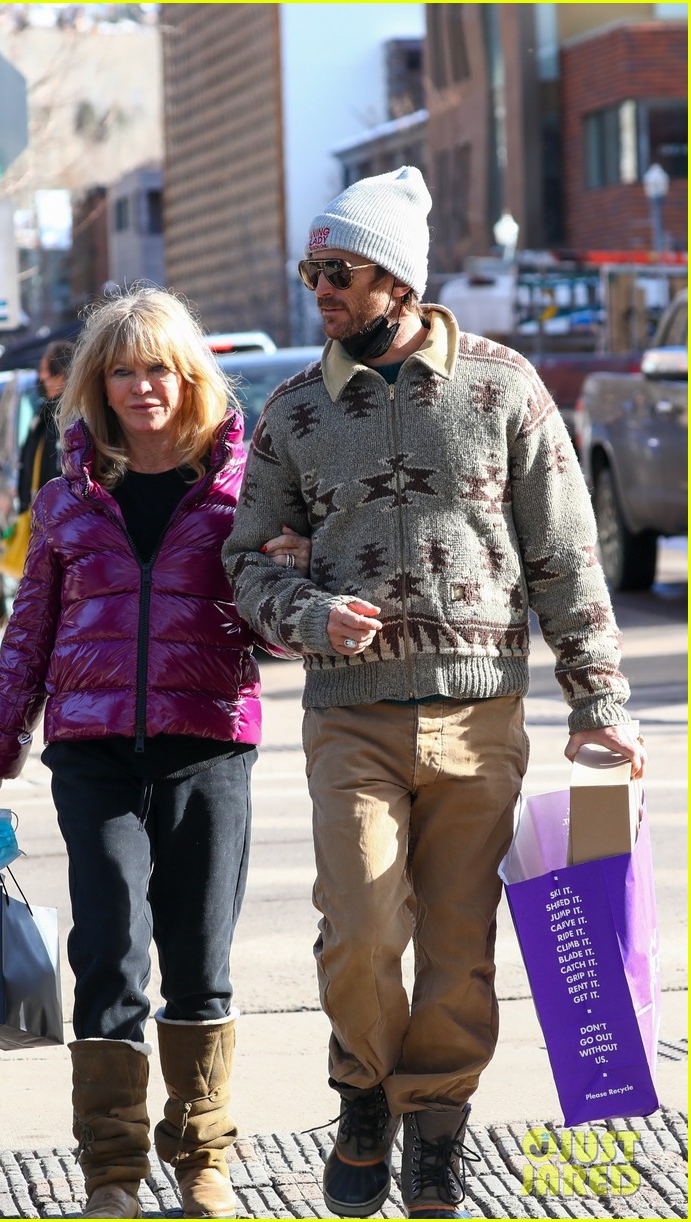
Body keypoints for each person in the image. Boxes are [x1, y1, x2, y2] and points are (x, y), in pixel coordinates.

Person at [222, 167, 647, 1220]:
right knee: (361, 925)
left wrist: (599, 706)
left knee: (459, 948)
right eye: (312, 269)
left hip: (481, 714)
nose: (320, 287)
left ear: (399, 281)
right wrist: (311, 614)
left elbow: (565, 556)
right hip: (351, 716)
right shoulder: (291, 412)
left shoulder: (504, 388)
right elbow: (243, 566)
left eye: (341, 270)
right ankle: (361, 1087)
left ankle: (438, 1132)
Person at [0, 287, 309, 1221]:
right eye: (122, 370)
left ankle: (203, 1163)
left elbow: (275, 640)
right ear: (96, 385)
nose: (142, 386)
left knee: (200, 956)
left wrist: (294, 574)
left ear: (188, 375)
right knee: (110, 949)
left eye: (158, 367)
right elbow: (27, 639)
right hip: (94, 756)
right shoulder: (67, 503)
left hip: (208, 749)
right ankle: (111, 1173)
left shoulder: (242, 493)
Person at [16, 339, 74, 513]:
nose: (40, 377)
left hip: (56, 519)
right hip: (43, 517)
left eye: (44, 370)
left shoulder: (68, 418)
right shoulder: (46, 414)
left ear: (60, 375)